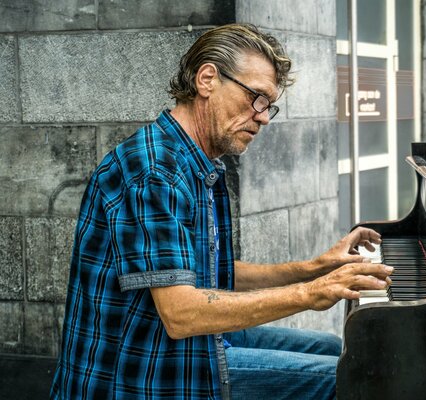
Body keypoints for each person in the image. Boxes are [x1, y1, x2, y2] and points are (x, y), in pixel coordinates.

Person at [50, 23, 392, 400]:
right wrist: (310, 293)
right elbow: (181, 314)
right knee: (355, 377)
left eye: (269, 105)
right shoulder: (155, 170)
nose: (263, 116)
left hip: (183, 348)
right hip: (143, 375)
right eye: (256, 98)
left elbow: (207, 272)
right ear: (208, 79)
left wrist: (314, 269)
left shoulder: (192, 159)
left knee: (333, 349)